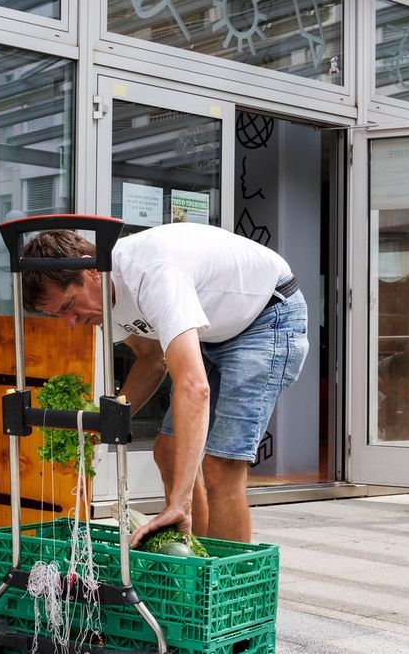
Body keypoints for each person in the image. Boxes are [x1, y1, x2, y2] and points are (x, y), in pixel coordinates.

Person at [21, 222, 308, 545]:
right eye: (59, 315)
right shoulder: (103, 297)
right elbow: (151, 357)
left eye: (68, 306)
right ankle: (195, 559)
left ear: (92, 272)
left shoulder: (152, 274)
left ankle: (226, 574)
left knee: (220, 466)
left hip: (267, 316)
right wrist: (108, 421)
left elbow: (194, 386)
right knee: (169, 451)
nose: (71, 323)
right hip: (219, 329)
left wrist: (180, 501)